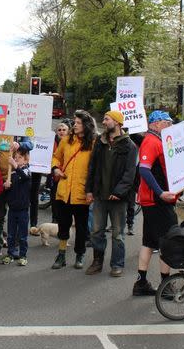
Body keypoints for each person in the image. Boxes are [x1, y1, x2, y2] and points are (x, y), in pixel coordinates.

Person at [85, 110, 137, 277]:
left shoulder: (129, 146)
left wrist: (119, 191)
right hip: (100, 196)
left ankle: (117, 264)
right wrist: (89, 190)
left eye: (107, 119)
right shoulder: (100, 142)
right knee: (96, 231)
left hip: (118, 199)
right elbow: (92, 168)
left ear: (117, 122)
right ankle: (97, 262)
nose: (104, 122)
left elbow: (130, 173)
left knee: (118, 234)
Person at [132, 111, 178, 296]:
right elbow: (144, 169)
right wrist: (160, 193)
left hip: (153, 201)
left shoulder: (155, 140)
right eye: (167, 123)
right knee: (169, 242)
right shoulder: (151, 141)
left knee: (149, 242)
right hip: (157, 201)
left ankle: (141, 283)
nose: (170, 126)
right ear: (156, 123)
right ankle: (166, 286)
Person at [51, 110, 97, 270]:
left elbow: (96, 168)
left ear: (86, 125)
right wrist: (56, 168)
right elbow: (56, 157)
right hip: (64, 191)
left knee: (82, 226)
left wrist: (92, 191)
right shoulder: (66, 140)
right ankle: (61, 254)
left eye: (78, 123)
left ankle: (80, 254)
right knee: (63, 224)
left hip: (82, 192)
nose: (74, 125)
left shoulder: (93, 143)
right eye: (74, 122)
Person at [0, 133, 33, 257]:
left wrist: (19, 144)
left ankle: (15, 248)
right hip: (1, 181)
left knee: (17, 217)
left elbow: (30, 144)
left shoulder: (19, 130)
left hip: (16, 180)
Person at [2, 148, 32, 266]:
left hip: (23, 210)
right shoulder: (12, 174)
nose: (16, 159)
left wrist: (15, 166)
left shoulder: (27, 171)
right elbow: (8, 192)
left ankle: (23, 255)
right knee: (11, 234)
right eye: (15, 157)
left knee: (23, 235)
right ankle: (10, 253)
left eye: (19, 157)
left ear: (26, 160)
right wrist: (6, 186)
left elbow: (25, 177)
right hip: (13, 209)